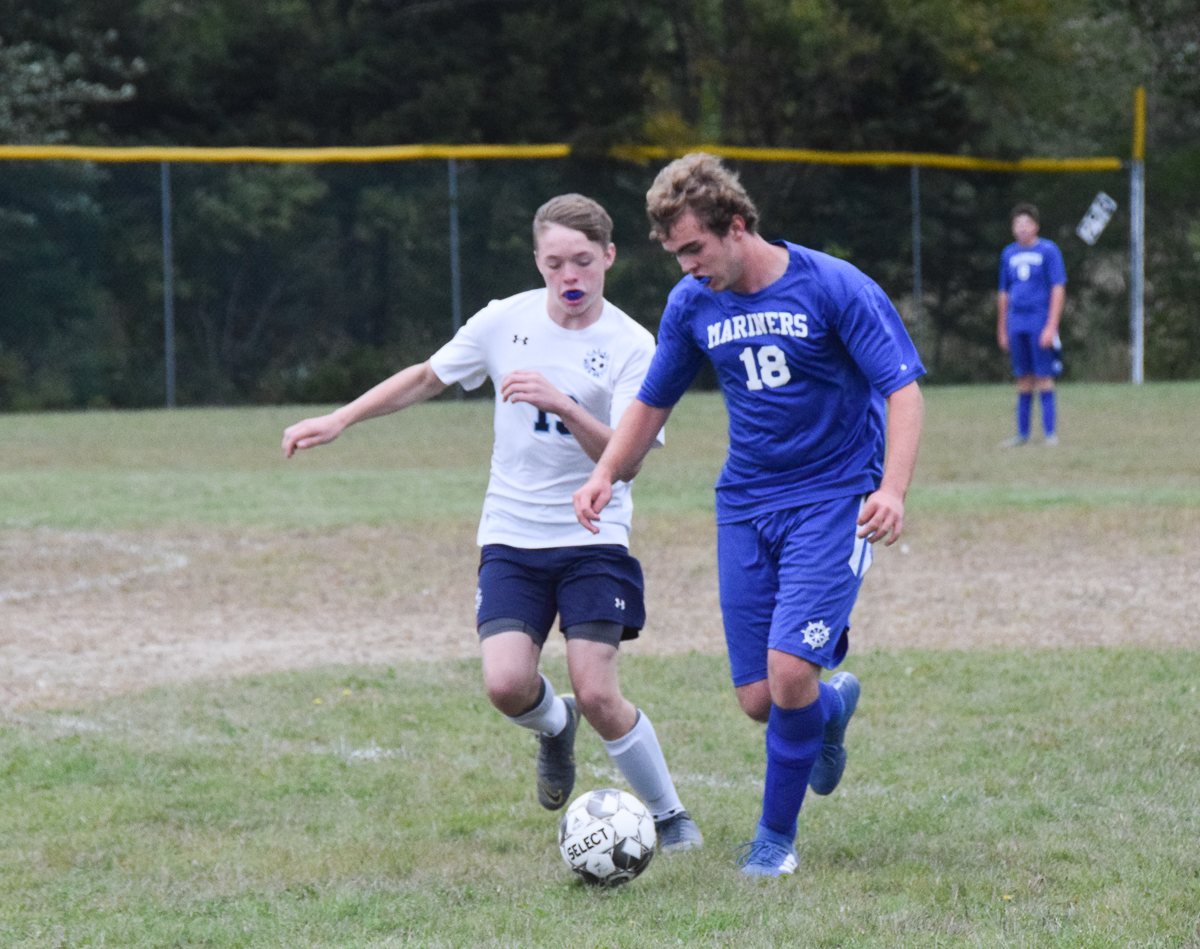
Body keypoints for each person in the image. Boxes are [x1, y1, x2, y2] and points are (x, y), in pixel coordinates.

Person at [281, 194, 702, 854]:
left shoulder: (631, 345)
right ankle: (553, 726)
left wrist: (561, 402)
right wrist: (340, 418)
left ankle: (670, 816)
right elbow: (425, 377)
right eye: (556, 261)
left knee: (597, 688)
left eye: (583, 261)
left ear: (609, 258)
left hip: (593, 537)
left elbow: (627, 460)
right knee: (506, 684)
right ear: (537, 260)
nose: (570, 275)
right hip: (511, 535)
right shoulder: (503, 321)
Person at [573, 154, 925, 877]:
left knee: (789, 674)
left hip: (834, 500)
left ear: (737, 227)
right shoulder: (693, 303)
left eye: (694, 249)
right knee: (760, 698)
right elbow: (652, 401)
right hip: (745, 505)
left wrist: (890, 489)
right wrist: (607, 469)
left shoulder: (833, 286)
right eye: (675, 254)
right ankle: (830, 708)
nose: (686, 266)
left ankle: (774, 842)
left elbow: (904, 390)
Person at [997, 203, 1066, 447]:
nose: (1023, 229)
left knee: (1043, 376)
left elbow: (1058, 288)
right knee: (1023, 378)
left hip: (1039, 320)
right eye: (1018, 224)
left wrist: (1051, 326)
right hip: (1017, 322)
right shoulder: (1008, 254)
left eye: (1027, 224)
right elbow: (1003, 293)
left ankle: (1050, 434)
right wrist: (1002, 327)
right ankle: (1022, 434)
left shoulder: (1048, 251)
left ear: (1036, 226)